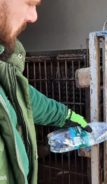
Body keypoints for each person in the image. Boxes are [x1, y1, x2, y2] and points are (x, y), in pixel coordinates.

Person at [0, 0, 92, 183]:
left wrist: (67, 115)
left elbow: (22, 94)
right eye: (29, 2)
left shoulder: (5, 69)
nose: (34, 16)